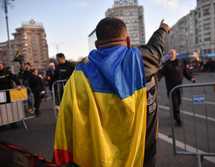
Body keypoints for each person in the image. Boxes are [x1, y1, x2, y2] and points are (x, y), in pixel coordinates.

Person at [54, 17, 170, 167]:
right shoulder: (141, 61)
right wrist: (163, 28)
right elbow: (156, 47)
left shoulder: (77, 76)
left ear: (96, 45)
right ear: (128, 41)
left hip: (97, 159)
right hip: (141, 157)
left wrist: (63, 160)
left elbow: (65, 123)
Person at [159, 49, 195, 126]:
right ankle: (178, 119)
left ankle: (175, 114)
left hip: (179, 86)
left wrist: (191, 78)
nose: (171, 54)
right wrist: (155, 81)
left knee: (178, 102)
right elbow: (160, 74)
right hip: (171, 87)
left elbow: (185, 72)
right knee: (175, 103)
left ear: (175, 54)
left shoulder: (180, 62)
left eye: (172, 53)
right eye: (170, 53)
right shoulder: (166, 64)